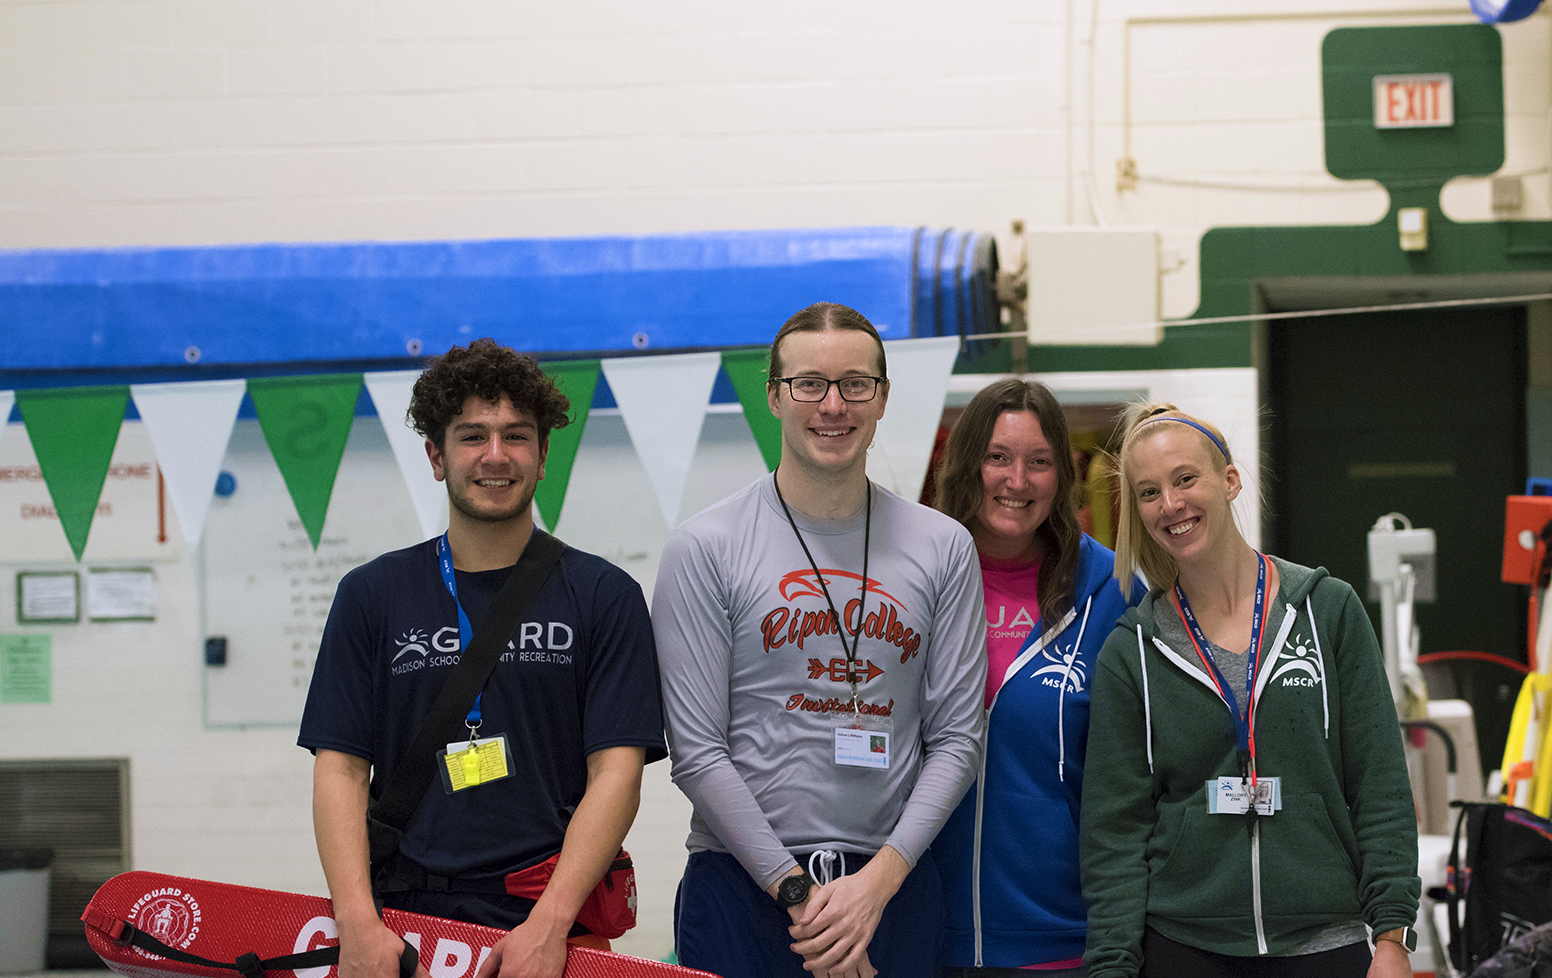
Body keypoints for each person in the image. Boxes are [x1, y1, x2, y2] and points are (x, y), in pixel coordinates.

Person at [300, 339, 666, 978]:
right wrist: (356, 922)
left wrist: (549, 926)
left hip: (553, 924)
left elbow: (617, 773)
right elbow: (340, 771)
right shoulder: (372, 595)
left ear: (543, 455)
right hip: (404, 927)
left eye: (516, 436)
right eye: (472, 437)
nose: (495, 456)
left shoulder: (605, 596)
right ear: (436, 457)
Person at [653, 302, 985, 978]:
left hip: (891, 887)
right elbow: (695, 751)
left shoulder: (943, 547)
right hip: (744, 886)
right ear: (774, 396)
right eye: (810, 383)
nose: (833, 405)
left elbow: (958, 739)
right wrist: (804, 900)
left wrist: (876, 888)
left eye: (855, 384)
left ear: (884, 398)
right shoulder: (705, 548)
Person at [1080, 403, 1420, 978]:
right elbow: (1115, 833)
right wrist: (1112, 967)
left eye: (1186, 479)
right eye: (1148, 492)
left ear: (1229, 480)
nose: (1171, 505)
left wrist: (1393, 938)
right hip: (1184, 946)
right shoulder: (1132, 651)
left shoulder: (1327, 612)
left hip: (1325, 941)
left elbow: (1379, 782)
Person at [929, 379, 1137, 977]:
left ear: (1062, 478)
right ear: (967, 464)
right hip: (915, 929)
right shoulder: (914, 575)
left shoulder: (1113, 594)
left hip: (1062, 939)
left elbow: (1139, 783)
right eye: (997, 457)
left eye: (1039, 462)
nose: (1017, 481)